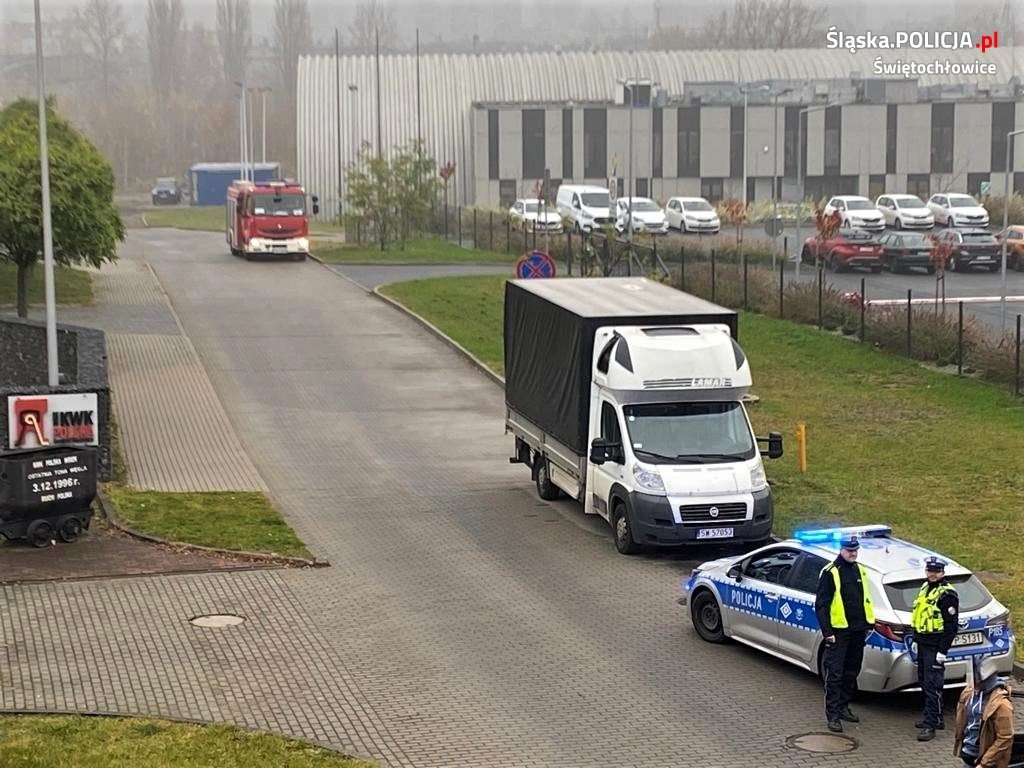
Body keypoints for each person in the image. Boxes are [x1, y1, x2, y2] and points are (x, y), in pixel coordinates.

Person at [815, 534, 874, 733]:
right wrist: (827, 631)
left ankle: (843, 706)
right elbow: (821, 605)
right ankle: (832, 715)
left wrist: (868, 624)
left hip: (858, 630)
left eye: (855, 550)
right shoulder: (831, 572)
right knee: (835, 674)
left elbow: (864, 599)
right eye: (850, 550)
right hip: (838, 633)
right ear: (841, 550)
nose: (853, 554)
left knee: (852, 671)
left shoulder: (860, 570)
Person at [912, 556, 960, 741]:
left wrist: (943, 651)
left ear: (943, 573)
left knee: (933, 686)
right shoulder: (925, 588)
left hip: (935, 646)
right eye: (930, 571)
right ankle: (935, 718)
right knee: (924, 682)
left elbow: (951, 626)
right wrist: (917, 639)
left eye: (936, 571)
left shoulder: (946, 595)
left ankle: (930, 725)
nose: (932, 574)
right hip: (924, 643)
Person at [953, 656, 1017, 767]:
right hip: (969, 756)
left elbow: (1005, 737)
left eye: (976, 679)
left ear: (985, 679)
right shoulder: (969, 693)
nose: (973, 684)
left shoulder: (1001, 705)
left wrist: (984, 763)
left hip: (985, 761)